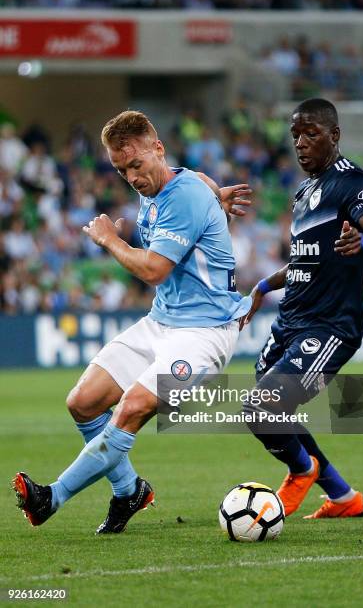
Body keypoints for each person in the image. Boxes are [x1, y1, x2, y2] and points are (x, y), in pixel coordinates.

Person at [13, 110, 252, 533]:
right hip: (161, 322)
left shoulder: (182, 196)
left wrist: (110, 240)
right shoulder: (171, 181)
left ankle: (52, 497)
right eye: (121, 170)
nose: (132, 178)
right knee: (83, 402)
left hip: (202, 332)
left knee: (133, 408)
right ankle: (130, 492)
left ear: (157, 149)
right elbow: (202, 182)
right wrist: (220, 199)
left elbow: (154, 270)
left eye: (136, 166)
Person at [240, 98, 363, 519]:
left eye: (311, 134)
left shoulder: (352, 182)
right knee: (274, 408)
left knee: (261, 408)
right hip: (290, 320)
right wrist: (262, 286)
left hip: (328, 327)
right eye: (295, 136)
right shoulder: (305, 192)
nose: (301, 144)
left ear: (335, 135)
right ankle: (344, 498)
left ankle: (301, 472)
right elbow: (305, 259)